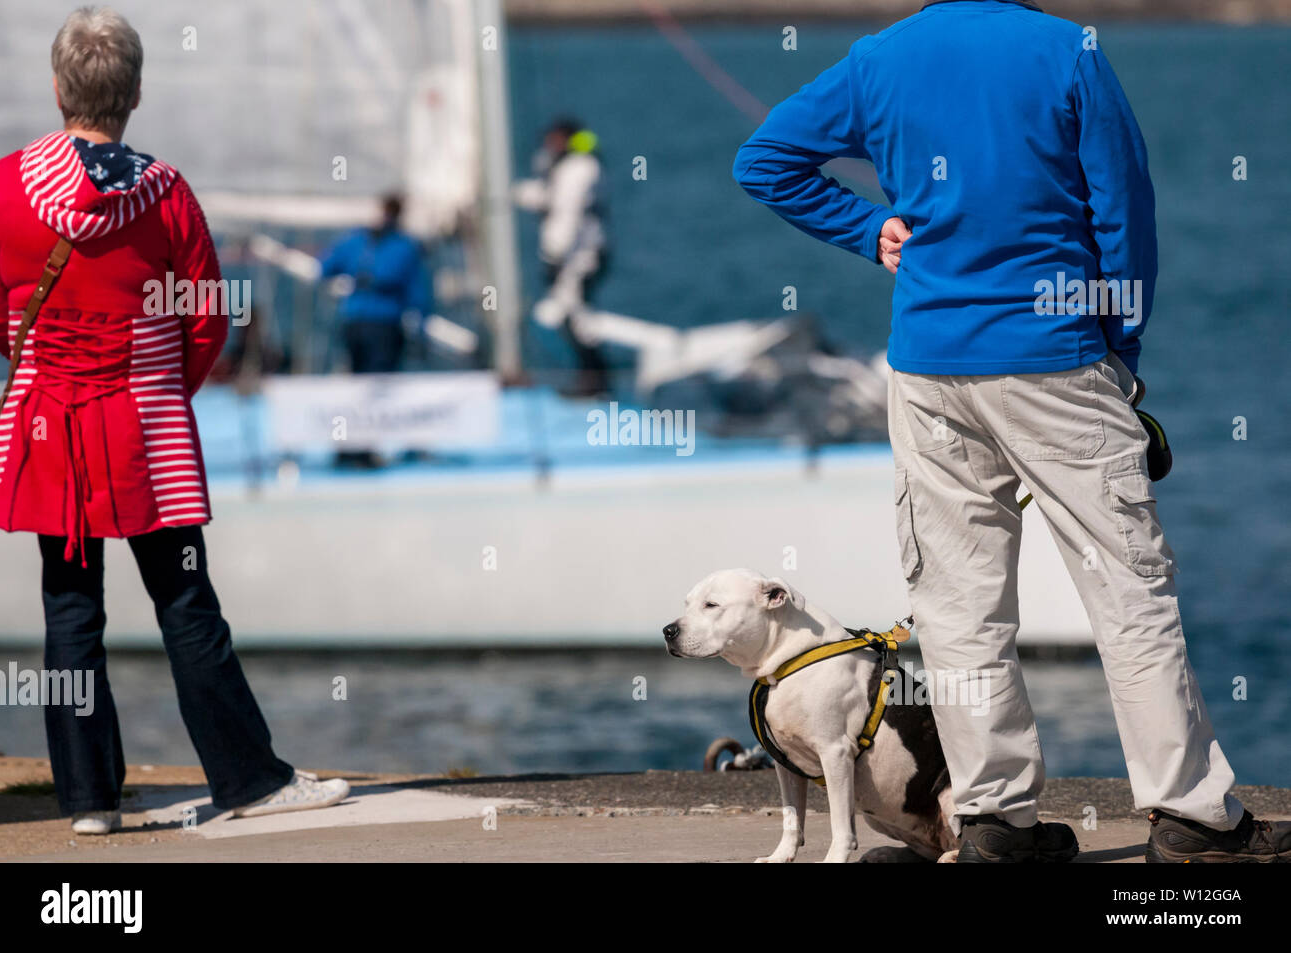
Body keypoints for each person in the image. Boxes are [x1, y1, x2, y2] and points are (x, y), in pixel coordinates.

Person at [734, 0, 1289, 862]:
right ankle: (1190, 816)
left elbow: (765, 161)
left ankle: (994, 819)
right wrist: (1122, 351)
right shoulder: (1068, 52)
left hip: (926, 369)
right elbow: (1125, 210)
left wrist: (865, 227)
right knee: (1129, 589)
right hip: (1057, 356)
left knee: (957, 606)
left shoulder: (880, 58)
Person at [0, 7, 348, 834]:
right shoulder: (164, 192)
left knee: (69, 608)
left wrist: (36, 360)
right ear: (137, 93)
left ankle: (89, 800)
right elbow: (206, 321)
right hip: (144, 428)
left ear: (56, 88)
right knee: (185, 601)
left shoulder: (5, 186)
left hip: (50, 426)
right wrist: (163, 387)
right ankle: (247, 778)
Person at [513, 118, 609, 396]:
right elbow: (550, 198)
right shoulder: (572, 168)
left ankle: (594, 380)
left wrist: (554, 256)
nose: (548, 146)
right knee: (572, 313)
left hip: (579, 258)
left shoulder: (578, 169)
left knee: (574, 315)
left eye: (553, 139)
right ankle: (592, 379)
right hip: (577, 255)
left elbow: (567, 213)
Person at [320, 192, 432, 376]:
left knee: (366, 379)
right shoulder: (403, 246)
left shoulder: (356, 242)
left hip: (364, 322)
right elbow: (418, 295)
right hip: (377, 324)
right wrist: (420, 329)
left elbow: (324, 268)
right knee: (376, 381)